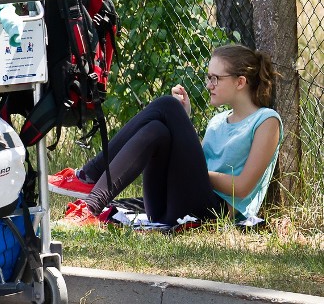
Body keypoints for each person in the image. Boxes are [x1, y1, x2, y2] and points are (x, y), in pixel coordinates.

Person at [49, 44, 282, 227]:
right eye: (208, 77)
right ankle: (90, 208)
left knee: (168, 106)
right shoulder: (218, 120)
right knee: (158, 131)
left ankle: (89, 176)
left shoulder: (266, 121)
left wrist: (196, 171)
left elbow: (241, 187)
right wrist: (185, 122)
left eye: (215, 78)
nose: (209, 85)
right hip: (170, 208)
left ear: (240, 82)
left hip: (215, 211)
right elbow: (192, 163)